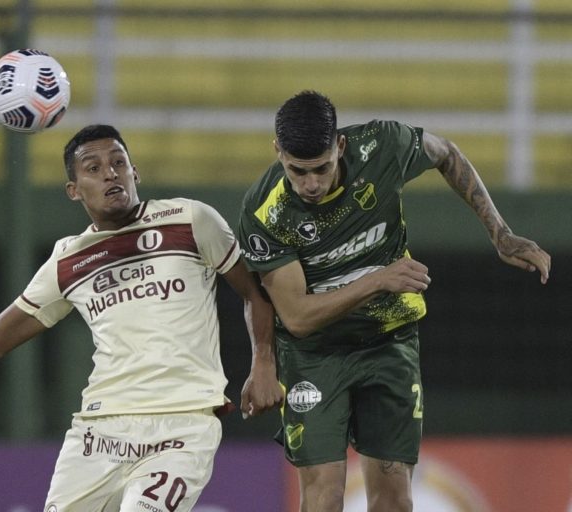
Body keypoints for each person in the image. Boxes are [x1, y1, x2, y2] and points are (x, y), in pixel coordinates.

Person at [0, 124, 282, 512]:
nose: (110, 174)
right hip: (99, 431)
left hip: (182, 426)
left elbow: (255, 292)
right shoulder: (69, 260)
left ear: (134, 171)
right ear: (73, 190)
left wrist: (264, 361)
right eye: (93, 168)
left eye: (118, 162)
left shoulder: (190, 220)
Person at [236, 90, 551, 512]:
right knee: (324, 496)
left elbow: (445, 152)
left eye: (322, 168)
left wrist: (499, 232)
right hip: (315, 355)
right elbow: (297, 317)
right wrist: (377, 280)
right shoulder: (265, 211)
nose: (310, 184)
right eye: (298, 171)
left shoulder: (381, 146)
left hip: (387, 341)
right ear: (278, 152)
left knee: (394, 499)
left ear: (341, 146)